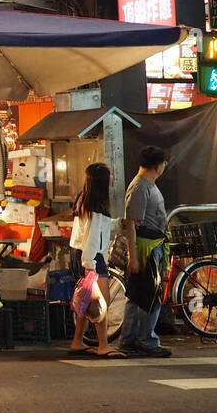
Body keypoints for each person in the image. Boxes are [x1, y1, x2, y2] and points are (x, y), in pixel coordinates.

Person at [120, 146, 173, 358]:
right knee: (149, 296)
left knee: (138, 295)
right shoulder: (140, 187)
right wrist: (133, 256)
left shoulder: (147, 184)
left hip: (150, 245)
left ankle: (130, 339)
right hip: (145, 247)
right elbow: (131, 223)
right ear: (158, 166)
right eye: (164, 163)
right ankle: (146, 340)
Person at [67, 163, 123, 358]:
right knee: (101, 301)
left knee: (86, 299)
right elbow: (92, 238)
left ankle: (77, 341)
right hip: (91, 256)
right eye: (109, 176)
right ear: (102, 181)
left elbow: (100, 230)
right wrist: (90, 265)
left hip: (80, 251)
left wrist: (120, 224)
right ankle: (103, 345)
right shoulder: (96, 207)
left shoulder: (85, 200)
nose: (112, 179)